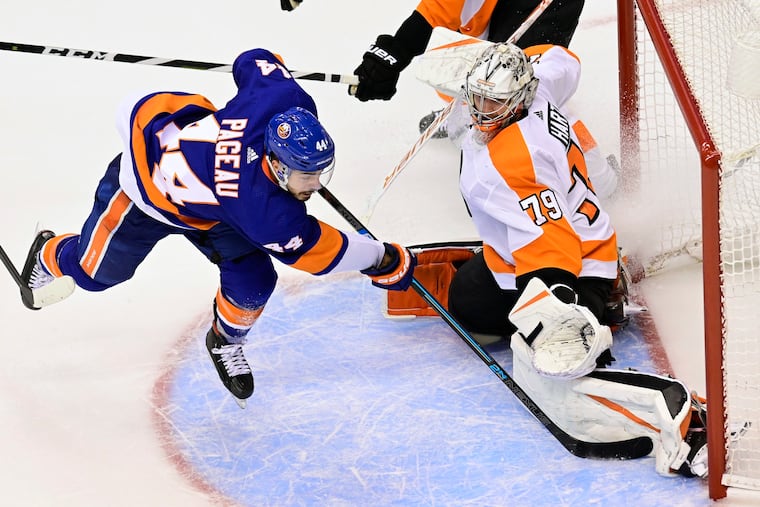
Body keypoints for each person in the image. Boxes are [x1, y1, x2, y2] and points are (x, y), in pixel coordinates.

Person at [16, 48, 416, 409]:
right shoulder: (263, 211)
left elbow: (254, 59)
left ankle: (225, 339)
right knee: (93, 276)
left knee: (255, 279)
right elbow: (323, 253)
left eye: (318, 173)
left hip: (212, 204)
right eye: (305, 177)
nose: (315, 185)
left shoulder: (284, 101)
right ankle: (50, 253)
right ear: (277, 165)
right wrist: (383, 259)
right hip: (147, 193)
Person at [400, 41, 711, 478]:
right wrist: (512, 57)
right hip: (586, 239)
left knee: (547, 380)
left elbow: (551, 242)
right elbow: (562, 58)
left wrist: (559, 313)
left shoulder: (506, 166)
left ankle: (677, 411)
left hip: (575, 266)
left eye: (496, 101)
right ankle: (599, 296)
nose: (481, 110)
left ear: (518, 98)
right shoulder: (540, 86)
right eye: (478, 96)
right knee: (467, 303)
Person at [350, 0, 585, 103]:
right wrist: (391, 56)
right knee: (464, 64)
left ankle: (592, 168)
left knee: (526, 88)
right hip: (491, 11)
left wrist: (396, 52)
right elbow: (436, 12)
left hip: (540, 6)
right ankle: (464, 115)